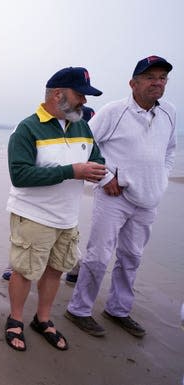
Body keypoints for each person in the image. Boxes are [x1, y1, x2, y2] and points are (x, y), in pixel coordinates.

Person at [65, 56, 176, 338]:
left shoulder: (169, 114)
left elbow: (169, 151)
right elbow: (86, 143)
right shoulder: (114, 112)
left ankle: (118, 309)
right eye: (150, 77)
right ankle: (78, 309)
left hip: (148, 200)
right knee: (99, 255)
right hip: (115, 196)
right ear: (133, 83)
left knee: (132, 257)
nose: (158, 82)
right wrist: (105, 177)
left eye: (162, 77)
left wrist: (161, 180)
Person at [4, 67, 106, 351]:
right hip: (34, 215)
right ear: (58, 95)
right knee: (24, 271)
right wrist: (72, 171)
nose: (84, 102)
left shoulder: (82, 126)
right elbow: (20, 175)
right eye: (80, 95)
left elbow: (95, 157)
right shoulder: (27, 128)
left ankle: (43, 318)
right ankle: (15, 319)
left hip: (68, 217)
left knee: (56, 270)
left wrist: (101, 171)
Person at [65, 104, 96, 284]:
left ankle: (75, 268)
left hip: (71, 194)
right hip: (45, 196)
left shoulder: (85, 137)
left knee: (69, 229)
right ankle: (75, 268)